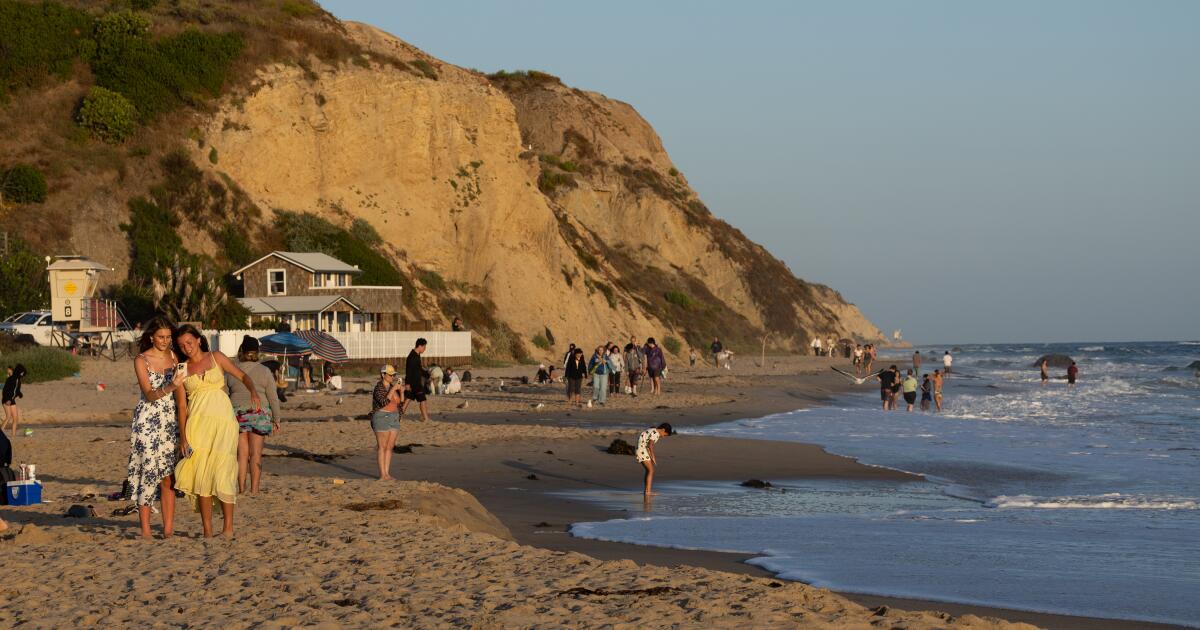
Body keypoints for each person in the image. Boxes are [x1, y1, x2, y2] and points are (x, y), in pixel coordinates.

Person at [173, 324, 260, 538]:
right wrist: (183, 437)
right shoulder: (181, 370)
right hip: (197, 424)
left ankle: (228, 528)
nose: (187, 348)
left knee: (223, 473)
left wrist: (253, 391)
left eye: (189, 342)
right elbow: (182, 407)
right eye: (182, 345)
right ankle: (207, 530)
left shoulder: (216, 357)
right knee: (202, 475)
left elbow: (242, 376)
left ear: (199, 340)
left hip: (223, 421)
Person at [128, 318, 185, 538]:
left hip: (169, 421)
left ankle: (168, 529)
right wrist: (171, 385)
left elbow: (181, 400)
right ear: (151, 336)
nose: (165, 341)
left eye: (168, 337)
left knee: (168, 477)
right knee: (148, 474)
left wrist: (184, 429)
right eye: (161, 337)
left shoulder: (174, 358)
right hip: (147, 420)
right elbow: (149, 394)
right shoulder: (141, 360)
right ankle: (146, 530)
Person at [226, 336, 281, 495]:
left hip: (237, 414)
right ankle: (255, 490)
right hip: (259, 413)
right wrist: (276, 419)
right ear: (258, 352)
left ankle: (242, 489)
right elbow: (273, 397)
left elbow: (225, 393)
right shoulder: (264, 371)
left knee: (241, 455)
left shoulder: (231, 370)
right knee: (256, 454)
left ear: (241, 351)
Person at [370, 365, 403, 481]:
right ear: (383, 375)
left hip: (394, 417)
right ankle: (382, 475)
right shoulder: (378, 387)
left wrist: (401, 392)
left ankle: (387, 474)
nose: (392, 377)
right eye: (390, 375)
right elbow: (384, 401)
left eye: (394, 375)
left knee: (390, 447)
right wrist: (393, 390)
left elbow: (400, 403)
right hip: (381, 417)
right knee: (382, 446)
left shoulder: (392, 386)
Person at [636, 422, 674, 495]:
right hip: (642, 451)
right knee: (651, 470)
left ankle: (647, 490)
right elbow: (650, 445)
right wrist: (653, 456)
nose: (663, 437)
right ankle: (648, 492)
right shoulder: (656, 433)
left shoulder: (652, 430)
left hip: (641, 450)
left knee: (649, 470)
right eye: (664, 435)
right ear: (663, 429)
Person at [401, 338, 430, 423]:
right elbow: (408, 371)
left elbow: (418, 369)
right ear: (420, 346)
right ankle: (425, 418)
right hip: (415, 383)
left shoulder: (416, 355)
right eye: (424, 347)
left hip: (414, 382)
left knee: (408, 399)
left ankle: (399, 416)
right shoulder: (412, 357)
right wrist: (407, 383)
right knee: (422, 399)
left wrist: (426, 374)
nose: (425, 349)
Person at [2, 363, 26, 434]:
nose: (22, 374)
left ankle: (13, 435)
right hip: (6, 400)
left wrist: (20, 394)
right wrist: (7, 399)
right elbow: (5, 390)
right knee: (8, 417)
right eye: (22, 372)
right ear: (19, 371)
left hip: (12, 400)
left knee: (15, 418)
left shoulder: (18, 381)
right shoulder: (11, 379)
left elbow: (16, 390)